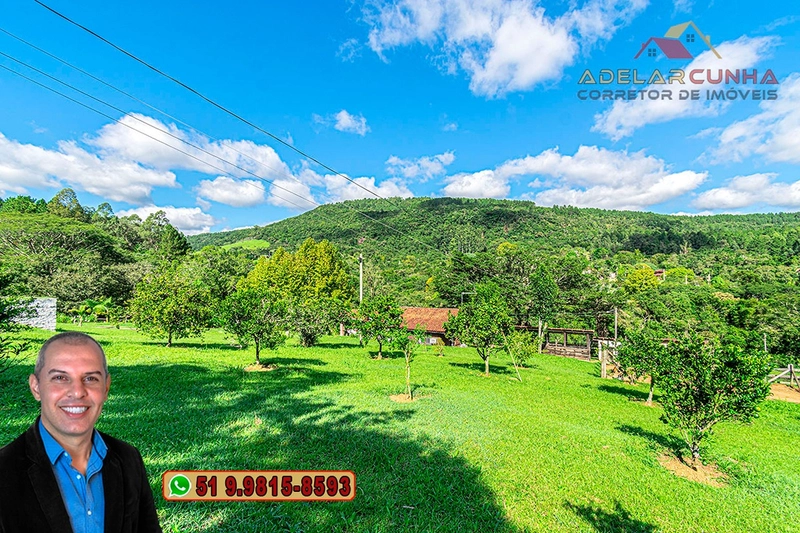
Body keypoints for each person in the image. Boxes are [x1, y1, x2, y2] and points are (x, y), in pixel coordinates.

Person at [0, 331, 162, 533]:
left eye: (91, 378)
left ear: (106, 388)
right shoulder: (4, 470)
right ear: (36, 387)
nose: (77, 392)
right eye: (60, 377)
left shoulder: (129, 459)